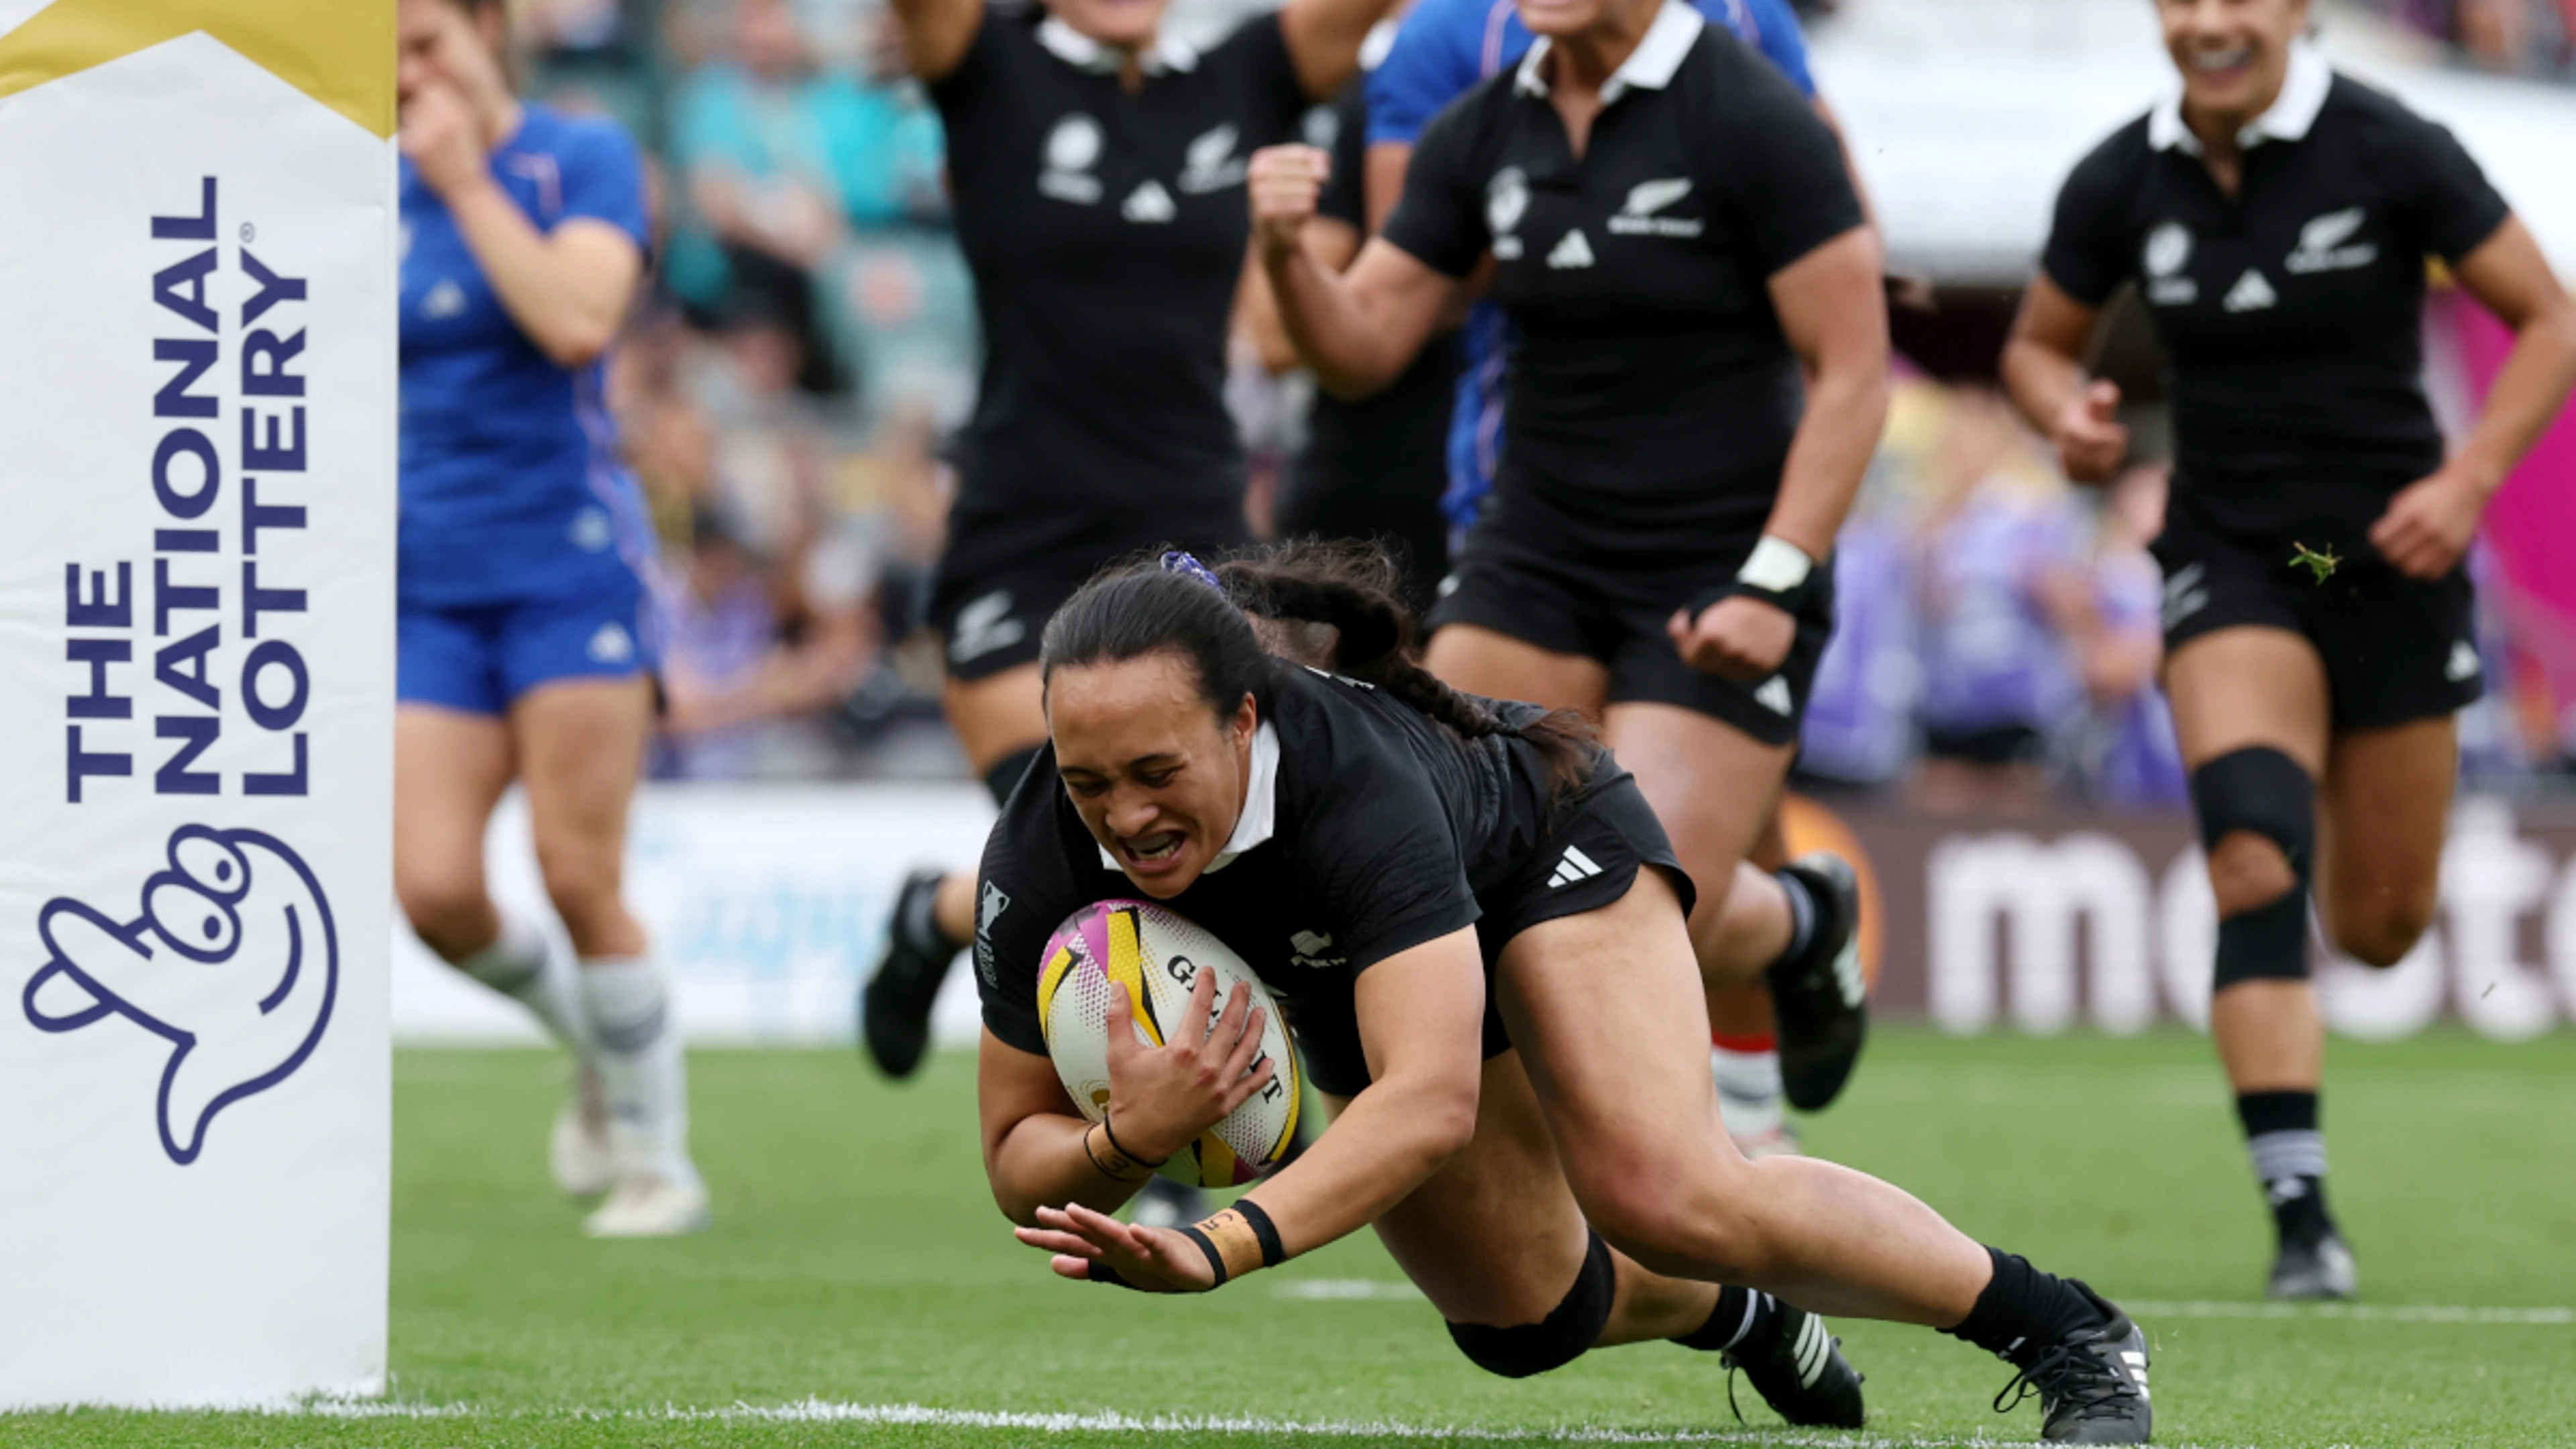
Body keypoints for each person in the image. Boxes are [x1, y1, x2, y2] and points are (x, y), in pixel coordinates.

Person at [977, 551, 2153, 1444]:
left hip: (1540, 855)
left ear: (1243, 718)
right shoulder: (1040, 847)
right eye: (1089, 782)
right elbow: (1015, 1155)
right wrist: (1129, 1135)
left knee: (1668, 1193)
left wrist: (1224, 1246)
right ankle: (1741, 1318)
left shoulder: (1353, 788)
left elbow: (1428, 1100)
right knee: (1523, 1327)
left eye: (1157, 773)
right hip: (1360, 963)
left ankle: (2070, 1332)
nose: (1125, 817)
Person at [2002, 0, 2576, 1297]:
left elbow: (2550, 319)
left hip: (2393, 565)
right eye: (2183, 0)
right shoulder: (2120, 175)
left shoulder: (2392, 145)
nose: (2209, 22)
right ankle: (2303, 1219)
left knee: (2379, 927)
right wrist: (2067, 416)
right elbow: (2036, 348)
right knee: (2254, 854)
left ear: (2297, 12)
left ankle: (2348, 865)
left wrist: (2473, 479)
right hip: (2232, 561)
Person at [1252, 0, 1879, 1146]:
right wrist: (1290, 256)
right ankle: (1542, 1210)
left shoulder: (1757, 117)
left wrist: (1775, 578)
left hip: (1719, 567)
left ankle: (1800, 922)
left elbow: (1854, 372)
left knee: (1630, 909)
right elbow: (1361, 351)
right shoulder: (1482, 130)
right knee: (1450, 874)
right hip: (1531, 552)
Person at [857, 0, 1401, 1230]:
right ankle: (1154, 1138)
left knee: (1181, 833)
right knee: (1093, 829)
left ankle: (946, 909)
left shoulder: (1251, 70)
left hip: (1190, 540)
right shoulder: (988, 63)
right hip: (1018, 533)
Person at [395, 0, 708, 1236]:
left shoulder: (574, 156)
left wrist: (465, 180)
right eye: (389, 58)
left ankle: (656, 1159)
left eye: (428, 41)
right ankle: (595, 1049)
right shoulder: (360, 189)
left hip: (569, 568)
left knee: (578, 874)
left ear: (486, 28)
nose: (411, 74)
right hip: (428, 584)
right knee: (431, 891)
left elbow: (579, 319)